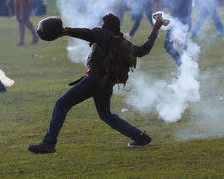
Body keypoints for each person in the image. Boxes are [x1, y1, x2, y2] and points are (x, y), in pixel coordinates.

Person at [28, 13, 165, 154]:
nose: (100, 26)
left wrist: (66, 31)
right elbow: (144, 49)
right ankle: (140, 137)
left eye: (103, 24)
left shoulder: (103, 34)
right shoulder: (125, 43)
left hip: (94, 80)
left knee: (62, 104)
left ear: (107, 27)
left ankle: (49, 143)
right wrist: (155, 29)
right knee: (106, 115)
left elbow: (87, 33)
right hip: (106, 83)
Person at [164, 0, 193, 66]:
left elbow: (188, 8)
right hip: (175, 20)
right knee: (168, 45)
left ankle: (185, 69)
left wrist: (180, 21)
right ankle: (183, 66)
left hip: (182, 21)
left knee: (183, 47)